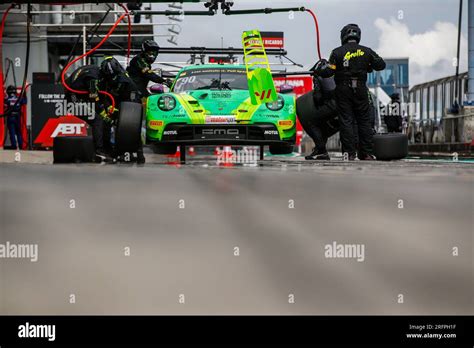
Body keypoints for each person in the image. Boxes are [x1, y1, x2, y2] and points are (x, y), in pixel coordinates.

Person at [328, 24, 386, 160]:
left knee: (346, 120)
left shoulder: (336, 52)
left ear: (343, 36)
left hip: (343, 89)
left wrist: (322, 68)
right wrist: (368, 66)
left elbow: (329, 71)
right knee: (364, 121)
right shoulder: (367, 51)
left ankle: (349, 153)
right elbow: (381, 64)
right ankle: (366, 153)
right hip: (360, 88)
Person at [100, 56, 145, 164]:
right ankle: (108, 152)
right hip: (112, 105)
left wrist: (124, 112)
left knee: (130, 127)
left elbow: (135, 100)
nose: (112, 79)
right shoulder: (103, 80)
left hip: (128, 105)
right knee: (105, 125)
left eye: (114, 77)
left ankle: (139, 153)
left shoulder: (127, 81)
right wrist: (108, 106)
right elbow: (102, 96)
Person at [64, 64, 113, 161]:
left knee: (104, 119)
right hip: (73, 102)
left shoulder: (99, 73)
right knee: (97, 120)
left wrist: (109, 110)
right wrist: (103, 113)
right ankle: (99, 152)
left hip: (82, 98)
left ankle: (107, 150)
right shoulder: (93, 79)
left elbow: (101, 98)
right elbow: (95, 98)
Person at [298, 59, 340, 160]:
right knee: (324, 123)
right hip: (347, 105)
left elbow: (318, 97)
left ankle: (321, 150)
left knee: (312, 121)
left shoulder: (318, 76)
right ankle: (351, 153)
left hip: (333, 105)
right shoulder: (338, 72)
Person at [3, 85, 26, 150]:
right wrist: (24, 94)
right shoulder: (19, 98)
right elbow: (25, 102)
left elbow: (3, 104)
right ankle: (21, 145)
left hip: (10, 117)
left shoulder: (7, 99)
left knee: (12, 132)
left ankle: (14, 146)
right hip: (17, 117)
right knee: (18, 132)